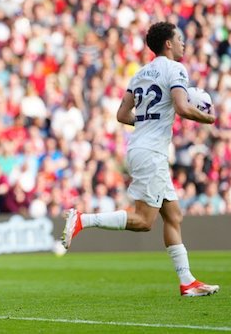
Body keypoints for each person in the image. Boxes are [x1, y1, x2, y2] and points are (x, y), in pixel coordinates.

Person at [61, 21, 220, 297]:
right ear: (168, 43)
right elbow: (182, 107)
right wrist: (207, 118)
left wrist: (146, 121)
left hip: (139, 147)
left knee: (174, 215)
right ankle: (82, 220)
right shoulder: (175, 69)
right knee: (145, 221)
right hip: (152, 152)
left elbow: (122, 115)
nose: (183, 43)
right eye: (180, 39)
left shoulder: (141, 73)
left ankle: (187, 281)